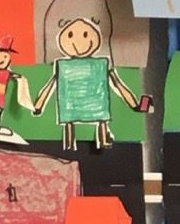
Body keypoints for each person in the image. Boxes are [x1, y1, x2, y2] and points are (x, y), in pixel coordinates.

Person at [32, 18, 149, 151]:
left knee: (94, 123)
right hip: (73, 107)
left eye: (85, 35)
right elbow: (49, 86)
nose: (78, 42)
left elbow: (118, 85)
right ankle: (72, 144)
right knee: (76, 125)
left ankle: (99, 140)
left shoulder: (101, 65)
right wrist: (39, 105)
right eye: (70, 35)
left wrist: (134, 105)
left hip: (91, 107)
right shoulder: (63, 66)